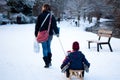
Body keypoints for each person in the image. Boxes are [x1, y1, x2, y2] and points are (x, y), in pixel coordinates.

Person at [34, 4, 59, 68]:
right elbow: (54, 26)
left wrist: (36, 34)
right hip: (50, 34)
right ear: (49, 8)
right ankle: (49, 61)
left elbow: (37, 26)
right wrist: (57, 33)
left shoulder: (40, 16)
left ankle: (47, 63)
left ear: (43, 8)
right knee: (48, 47)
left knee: (44, 48)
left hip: (42, 35)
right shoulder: (51, 16)